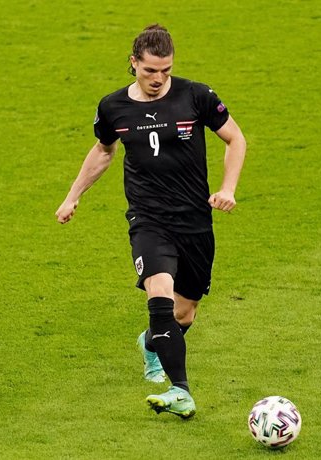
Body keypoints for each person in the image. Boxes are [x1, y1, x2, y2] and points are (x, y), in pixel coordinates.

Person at [55, 24, 246, 419]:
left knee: (183, 313)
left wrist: (227, 188)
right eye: (149, 71)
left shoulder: (196, 95)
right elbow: (103, 152)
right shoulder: (113, 108)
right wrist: (73, 196)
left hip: (194, 220)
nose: (158, 79)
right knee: (159, 297)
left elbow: (236, 139)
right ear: (133, 63)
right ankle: (181, 391)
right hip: (149, 219)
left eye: (165, 70)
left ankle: (151, 344)